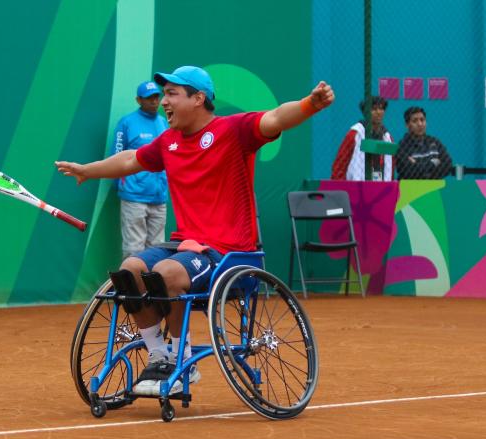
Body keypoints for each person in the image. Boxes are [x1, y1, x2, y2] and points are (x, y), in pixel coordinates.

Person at [56, 66, 334, 395]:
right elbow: (131, 159)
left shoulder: (233, 130)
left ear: (198, 98)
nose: (164, 102)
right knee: (129, 269)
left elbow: (275, 119)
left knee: (166, 272)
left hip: (231, 255)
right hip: (185, 246)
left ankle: (181, 359)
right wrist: (88, 171)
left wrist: (310, 104)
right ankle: (160, 354)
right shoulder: (169, 141)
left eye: (173, 94)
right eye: (164, 95)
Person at [111, 81, 169, 260]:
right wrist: (121, 186)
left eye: (156, 97)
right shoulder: (127, 123)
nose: (154, 101)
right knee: (134, 249)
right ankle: (132, 288)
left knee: (158, 249)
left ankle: (153, 289)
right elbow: (117, 156)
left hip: (159, 197)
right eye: (148, 98)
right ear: (138, 100)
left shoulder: (164, 122)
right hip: (134, 196)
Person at [331, 96, 394, 181]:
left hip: (381, 186)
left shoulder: (387, 137)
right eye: (374, 109)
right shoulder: (355, 133)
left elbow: (390, 167)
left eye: (381, 108)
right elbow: (340, 164)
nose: (378, 112)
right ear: (365, 112)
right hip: (355, 186)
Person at [395, 106, 453, 179]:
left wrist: (417, 165)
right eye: (415, 121)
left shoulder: (435, 142)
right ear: (407, 125)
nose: (420, 124)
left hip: (433, 188)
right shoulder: (402, 146)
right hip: (410, 189)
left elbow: (448, 164)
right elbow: (408, 171)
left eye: (422, 120)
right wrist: (433, 163)